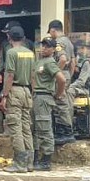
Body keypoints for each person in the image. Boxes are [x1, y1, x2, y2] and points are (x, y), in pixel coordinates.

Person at [0, 25, 35, 173]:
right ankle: (29, 162)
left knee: (15, 127)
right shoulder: (30, 53)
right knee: (26, 127)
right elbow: (32, 75)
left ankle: (19, 163)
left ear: (9, 38)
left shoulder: (11, 52)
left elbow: (10, 75)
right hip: (26, 91)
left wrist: (4, 95)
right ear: (23, 38)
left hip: (15, 91)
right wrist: (32, 91)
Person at [31, 37, 66, 171]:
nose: (44, 48)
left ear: (53, 49)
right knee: (35, 128)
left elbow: (61, 80)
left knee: (44, 128)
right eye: (43, 45)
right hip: (37, 97)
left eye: (47, 46)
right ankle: (35, 158)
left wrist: (57, 94)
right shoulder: (39, 61)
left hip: (44, 97)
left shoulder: (50, 62)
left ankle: (45, 160)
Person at [0, 21, 34, 133]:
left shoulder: (28, 45)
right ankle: (6, 129)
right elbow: (2, 59)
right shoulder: (5, 45)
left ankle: (16, 135)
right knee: (8, 107)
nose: (7, 36)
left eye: (8, 33)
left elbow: (32, 67)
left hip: (19, 80)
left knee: (18, 112)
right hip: (10, 79)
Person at [47, 20, 76, 145]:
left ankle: (66, 132)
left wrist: (56, 73)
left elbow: (63, 59)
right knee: (63, 102)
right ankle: (64, 131)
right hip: (66, 74)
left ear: (53, 30)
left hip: (60, 75)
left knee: (60, 103)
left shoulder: (59, 42)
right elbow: (73, 62)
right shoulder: (68, 42)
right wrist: (69, 75)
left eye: (51, 32)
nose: (50, 35)